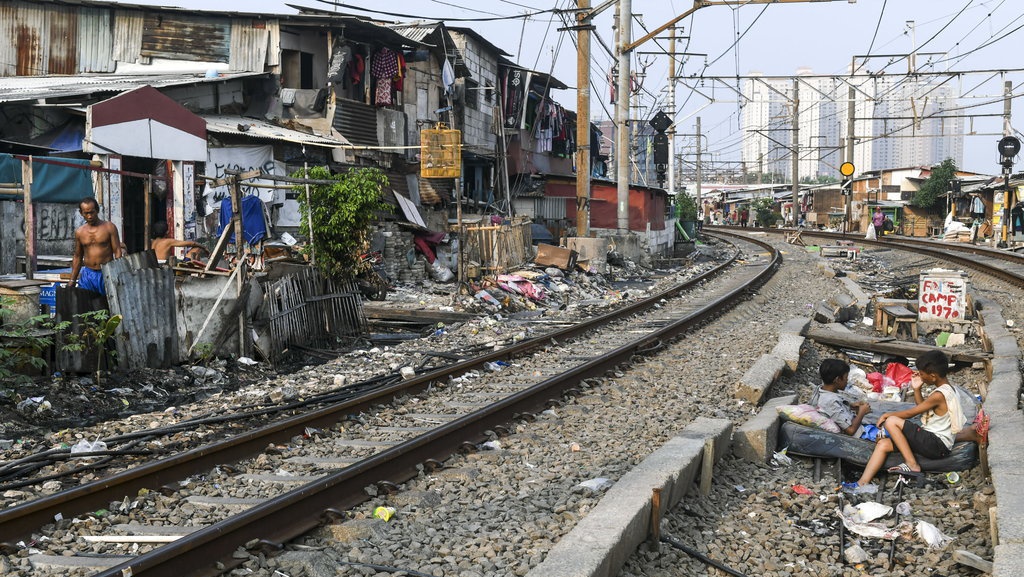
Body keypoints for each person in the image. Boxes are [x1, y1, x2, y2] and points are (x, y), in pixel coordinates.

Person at [842, 350, 964, 494]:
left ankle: (912, 464)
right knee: (883, 444)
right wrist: (917, 389)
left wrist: (888, 414)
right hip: (931, 441)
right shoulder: (945, 390)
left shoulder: (939, 395)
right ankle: (861, 483)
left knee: (892, 421)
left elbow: (912, 412)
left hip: (937, 444)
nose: (921, 376)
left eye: (922, 374)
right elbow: (923, 409)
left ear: (933, 375)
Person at [812, 359, 880, 440]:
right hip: (860, 434)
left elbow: (837, 410)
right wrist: (862, 412)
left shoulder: (823, 390)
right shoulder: (830, 401)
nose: (847, 381)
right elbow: (850, 431)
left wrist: (850, 406)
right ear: (837, 380)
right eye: (846, 378)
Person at [69, 197, 122, 296]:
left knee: (108, 305)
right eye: (86, 213)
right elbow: (77, 256)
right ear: (81, 213)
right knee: (86, 305)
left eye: (92, 212)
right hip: (88, 274)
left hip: (106, 273)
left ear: (97, 211)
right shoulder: (80, 232)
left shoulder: (109, 227)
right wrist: (72, 279)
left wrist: (116, 272)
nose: (89, 216)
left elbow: (117, 251)